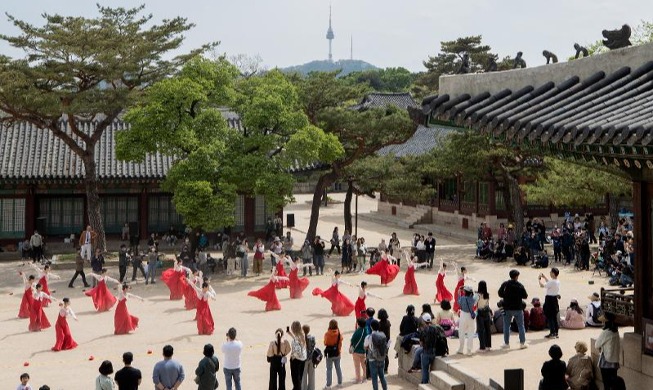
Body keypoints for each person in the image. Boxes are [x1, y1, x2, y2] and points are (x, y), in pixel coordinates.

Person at [498, 269, 529, 349]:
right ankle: (522, 343)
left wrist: (506, 296)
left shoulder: (505, 284)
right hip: (518, 308)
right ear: (516, 276)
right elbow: (525, 296)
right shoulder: (520, 285)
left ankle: (506, 343)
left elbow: (500, 293)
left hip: (507, 308)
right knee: (521, 326)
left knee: (506, 326)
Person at [595, 312, 621, 390]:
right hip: (614, 360)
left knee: (606, 384)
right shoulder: (616, 332)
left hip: (606, 361)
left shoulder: (606, 332)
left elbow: (596, 345)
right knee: (613, 384)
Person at [365, 319, 388, 390]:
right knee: (382, 376)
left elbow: (365, 346)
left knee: (374, 378)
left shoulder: (369, 337)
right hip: (381, 358)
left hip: (372, 359)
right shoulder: (382, 335)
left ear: (371, 327)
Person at [539, 267, 561, 338]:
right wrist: (544, 277)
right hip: (554, 299)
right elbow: (549, 283)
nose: (550, 273)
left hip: (549, 299)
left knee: (549, 316)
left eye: (551, 272)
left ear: (553, 274)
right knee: (554, 317)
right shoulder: (557, 281)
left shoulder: (552, 282)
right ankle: (556, 333)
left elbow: (542, 285)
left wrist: (539, 279)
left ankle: (552, 332)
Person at [457, 285, 478, 355]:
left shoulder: (462, 298)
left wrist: (459, 294)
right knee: (470, 333)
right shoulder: (473, 298)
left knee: (461, 332)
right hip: (470, 315)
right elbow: (476, 296)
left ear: (465, 292)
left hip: (463, 315)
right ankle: (469, 350)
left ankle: (461, 349)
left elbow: (458, 302)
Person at [287, 321, 307, 390]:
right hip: (303, 359)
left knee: (296, 381)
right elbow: (298, 340)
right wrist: (291, 335)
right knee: (299, 379)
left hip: (296, 361)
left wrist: (293, 356)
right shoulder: (302, 335)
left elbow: (297, 350)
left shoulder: (295, 340)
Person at [323, 319, 342, 389]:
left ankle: (328, 385)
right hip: (337, 353)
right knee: (338, 368)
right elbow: (340, 343)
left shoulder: (327, 334)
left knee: (329, 369)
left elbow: (325, 343)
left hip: (329, 354)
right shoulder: (339, 333)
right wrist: (339, 351)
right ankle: (340, 383)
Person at [475, 281, 493, 352]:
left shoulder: (477, 295)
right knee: (488, 330)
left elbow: (474, 303)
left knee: (481, 330)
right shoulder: (487, 294)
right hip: (486, 312)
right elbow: (488, 304)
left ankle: (482, 347)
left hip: (480, 313)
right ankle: (488, 346)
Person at [350, 318, 367, 384]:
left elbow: (352, 340)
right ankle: (364, 377)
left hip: (356, 351)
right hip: (363, 351)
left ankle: (358, 379)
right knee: (364, 365)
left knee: (357, 366)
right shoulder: (366, 330)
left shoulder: (357, 331)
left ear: (358, 324)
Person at [301, 324, 315, 390]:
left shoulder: (301, 339)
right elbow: (313, 346)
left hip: (304, 360)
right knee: (311, 376)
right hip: (312, 358)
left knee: (304, 377)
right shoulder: (312, 337)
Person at [377, 309, 391, 374]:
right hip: (387, 341)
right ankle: (386, 369)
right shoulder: (388, 322)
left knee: (380, 355)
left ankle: (381, 368)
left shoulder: (379, 324)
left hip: (381, 341)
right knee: (386, 355)